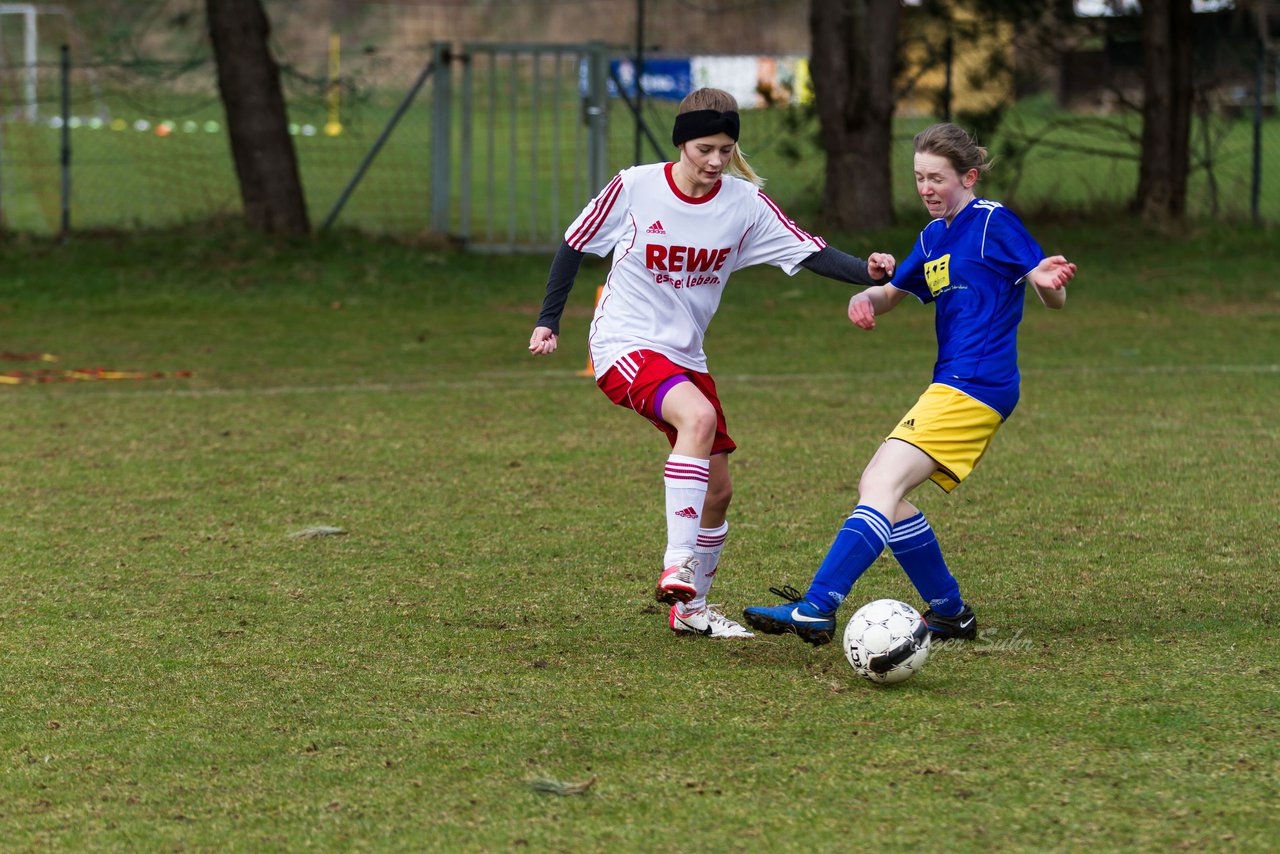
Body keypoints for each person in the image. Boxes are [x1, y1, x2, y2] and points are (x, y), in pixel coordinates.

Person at [529, 87, 895, 640]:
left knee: (719, 491)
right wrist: (548, 320)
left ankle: (691, 608)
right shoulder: (635, 186)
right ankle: (676, 563)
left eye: (726, 149)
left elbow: (809, 250)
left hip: (685, 356)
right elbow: (574, 244)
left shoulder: (743, 203)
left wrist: (870, 274)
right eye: (705, 148)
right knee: (696, 421)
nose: (716, 162)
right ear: (682, 143)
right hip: (624, 345)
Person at [743, 122, 1077, 646]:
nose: (926, 189)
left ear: (968, 177)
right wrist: (865, 298)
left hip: (978, 385)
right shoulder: (932, 236)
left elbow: (1045, 286)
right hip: (953, 383)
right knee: (887, 494)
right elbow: (893, 292)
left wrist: (1047, 282)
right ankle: (949, 613)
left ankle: (817, 604)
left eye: (937, 178)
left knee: (880, 484)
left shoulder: (992, 222)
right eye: (919, 178)